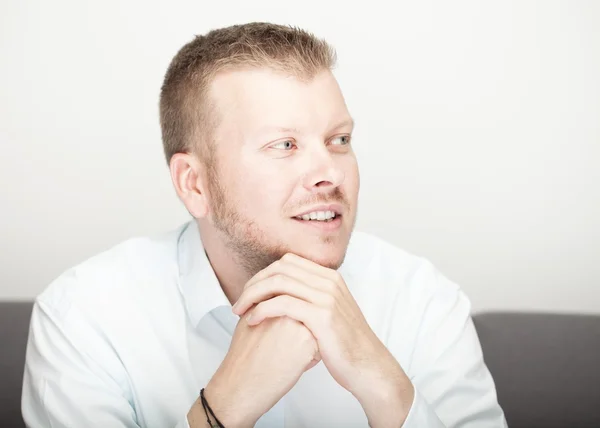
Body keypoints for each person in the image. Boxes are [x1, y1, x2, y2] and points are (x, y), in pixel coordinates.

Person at [22, 22, 507, 428]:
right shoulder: (83, 318)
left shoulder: (422, 300)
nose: (331, 173)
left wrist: (382, 381)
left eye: (339, 139)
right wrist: (225, 405)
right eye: (285, 146)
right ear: (195, 184)